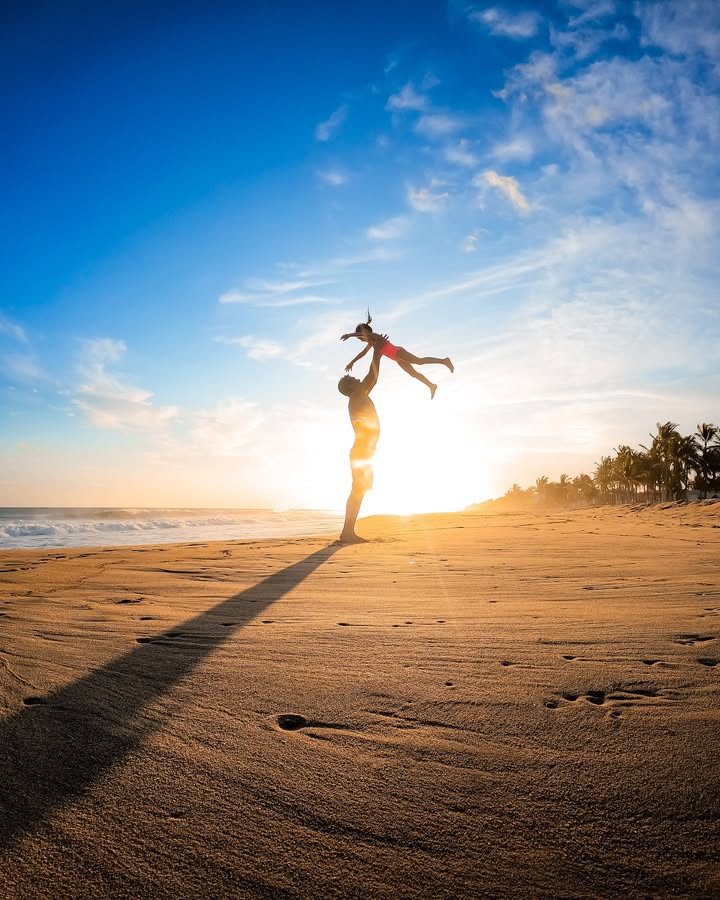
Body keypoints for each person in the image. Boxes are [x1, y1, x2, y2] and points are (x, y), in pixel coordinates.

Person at [336, 337, 385, 543]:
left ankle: (348, 531)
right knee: (357, 489)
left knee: (360, 489)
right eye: (351, 380)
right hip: (361, 451)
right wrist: (378, 351)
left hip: (364, 451)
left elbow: (371, 378)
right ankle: (347, 533)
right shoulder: (357, 396)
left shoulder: (359, 396)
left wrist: (378, 351)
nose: (355, 379)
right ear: (349, 389)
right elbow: (372, 376)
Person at [341, 312, 453, 399]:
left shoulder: (375, 336)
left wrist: (349, 335)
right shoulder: (373, 343)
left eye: (362, 337)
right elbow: (363, 353)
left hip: (398, 352)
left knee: (418, 361)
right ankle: (431, 386)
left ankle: (444, 361)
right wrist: (352, 362)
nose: (362, 339)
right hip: (396, 358)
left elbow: (362, 334)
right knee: (413, 373)